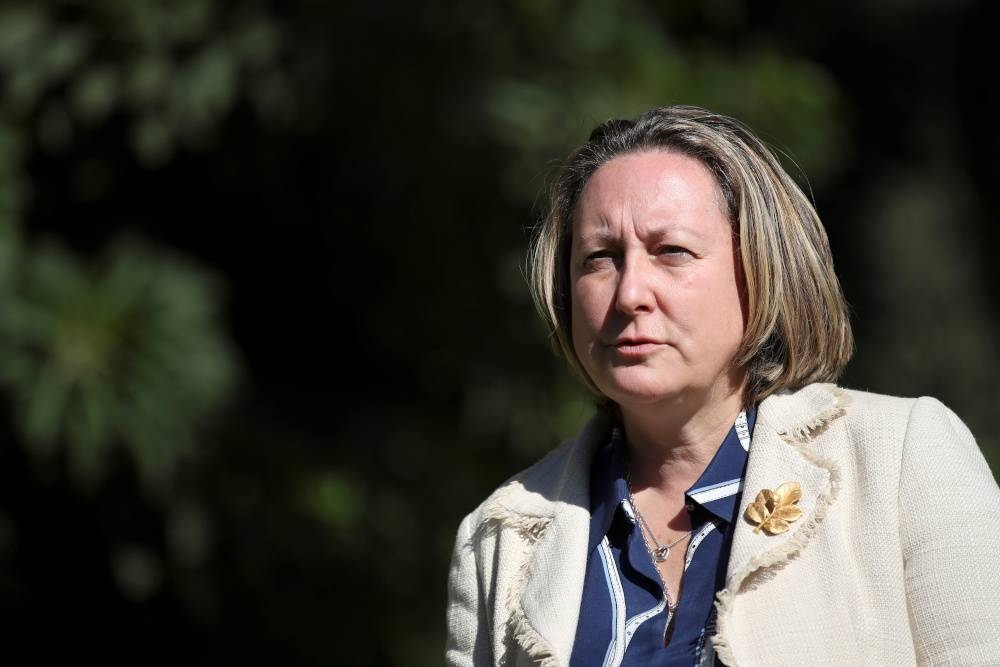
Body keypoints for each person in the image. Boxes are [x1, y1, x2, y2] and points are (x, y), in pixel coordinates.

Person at [445, 105, 1000, 666]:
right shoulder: (501, 536)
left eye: (672, 252)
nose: (630, 292)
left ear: (762, 270)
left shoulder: (901, 459)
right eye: (601, 258)